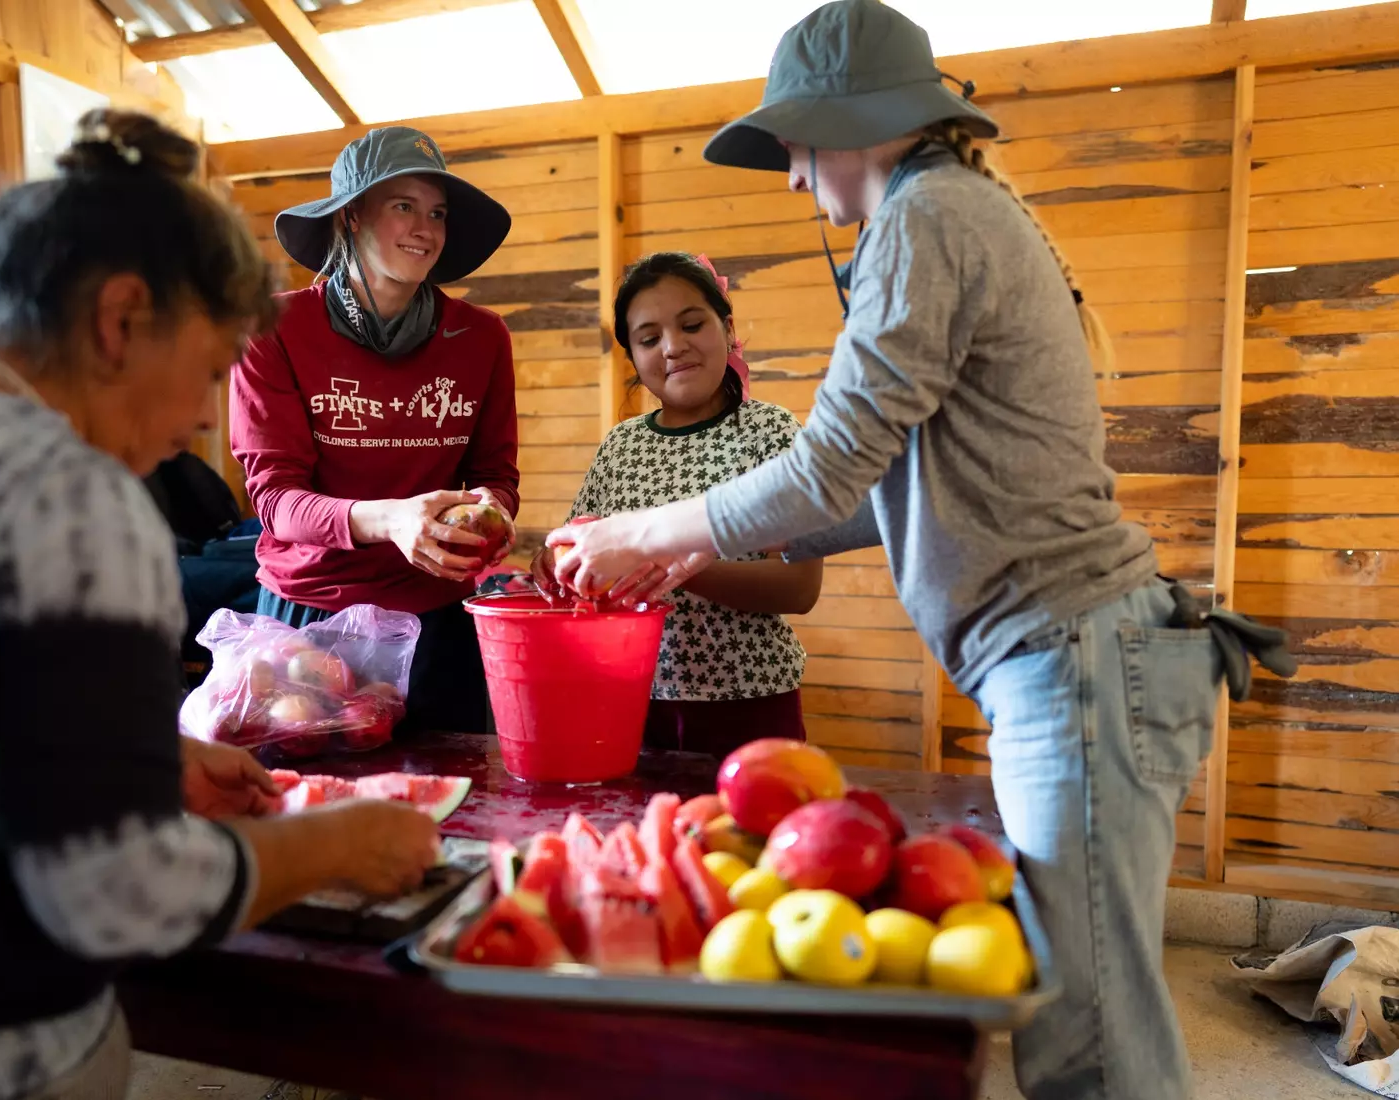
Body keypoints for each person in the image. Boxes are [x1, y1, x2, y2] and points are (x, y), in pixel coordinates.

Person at [548, 5, 1230, 1098]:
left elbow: (828, 465)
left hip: (1076, 661)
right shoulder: (949, 209)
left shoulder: (926, 217)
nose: (790, 178)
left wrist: (638, 530)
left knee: (1089, 1042)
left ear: (850, 123)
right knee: (1077, 1012)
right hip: (1078, 660)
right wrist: (688, 551)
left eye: (793, 148)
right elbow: (884, 489)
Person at [0, 110, 437, 1100]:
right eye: (207, 369)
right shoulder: (69, 492)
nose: (200, 418)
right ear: (120, 319)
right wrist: (334, 842)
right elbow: (119, 899)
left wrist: (134, 758)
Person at [232, 125, 519, 736]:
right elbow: (276, 500)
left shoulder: (482, 337)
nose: (426, 229)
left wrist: (491, 508)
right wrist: (393, 520)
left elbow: (496, 475)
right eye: (403, 206)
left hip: (437, 618)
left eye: (437, 213)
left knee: (450, 790)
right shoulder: (273, 328)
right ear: (351, 217)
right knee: (311, 794)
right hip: (311, 616)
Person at [567, 252, 821, 756]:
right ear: (633, 358)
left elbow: (799, 588)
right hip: (631, 700)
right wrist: (556, 563)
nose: (672, 346)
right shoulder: (620, 447)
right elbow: (578, 552)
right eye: (648, 339)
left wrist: (669, 567)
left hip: (750, 701)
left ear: (727, 329)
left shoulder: (771, 433)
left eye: (691, 325)